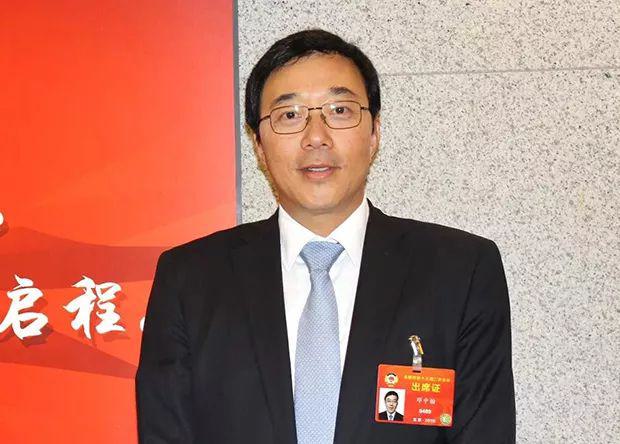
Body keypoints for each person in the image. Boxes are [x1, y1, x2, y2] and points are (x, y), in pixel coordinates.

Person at [136, 29, 515, 444]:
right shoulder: (190, 280)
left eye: (339, 110)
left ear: (374, 133)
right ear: (258, 145)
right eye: (289, 115)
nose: (316, 137)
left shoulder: (459, 272)